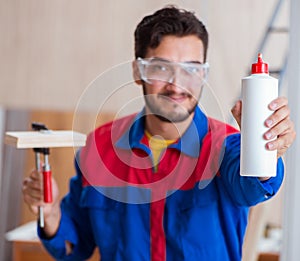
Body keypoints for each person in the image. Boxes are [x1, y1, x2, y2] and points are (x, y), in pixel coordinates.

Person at [22, 6, 296, 261]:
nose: (177, 86)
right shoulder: (99, 148)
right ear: (138, 71)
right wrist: (51, 213)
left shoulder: (226, 147)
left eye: (191, 69)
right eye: (161, 68)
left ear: (203, 74)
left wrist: (266, 150)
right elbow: (75, 245)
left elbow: (254, 186)